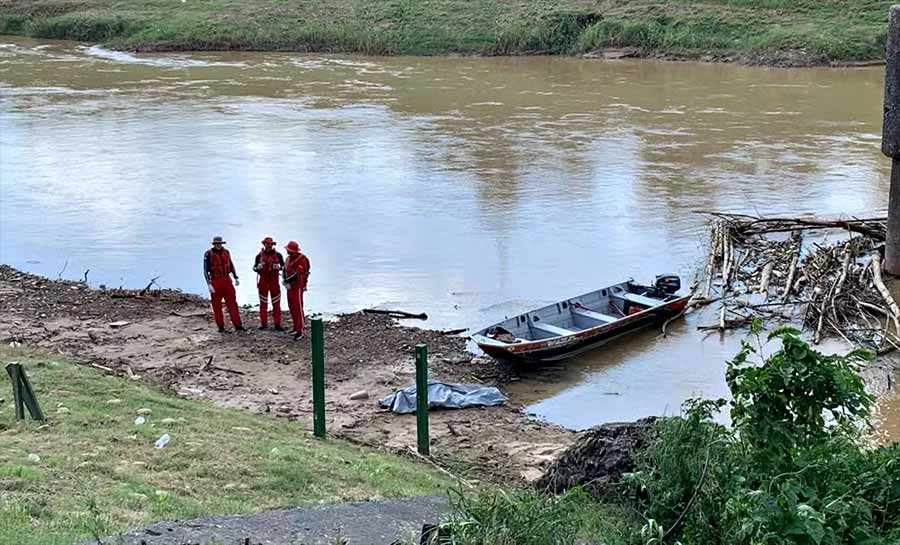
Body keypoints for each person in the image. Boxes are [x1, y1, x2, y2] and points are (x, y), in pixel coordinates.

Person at [203, 236, 244, 332]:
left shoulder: (226, 252)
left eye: (220, 243)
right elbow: (205, 270)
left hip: (227, 280)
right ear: (214, 244)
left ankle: (238, 326)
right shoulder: (208, 254)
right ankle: (221, 327)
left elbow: (231, 264)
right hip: (215, 281)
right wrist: (209, 284)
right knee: (216, 305)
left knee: (232, 303)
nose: (218, 245)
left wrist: (236, 276)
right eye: (217, 243)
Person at [253, 236, 285, 330]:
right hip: (263, 282)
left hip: (274, 282)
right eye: (267, 244)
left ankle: (277, 324)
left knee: (276, 304)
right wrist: (258, 267)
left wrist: (279, 267)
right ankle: (263, 323)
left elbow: (284, 268)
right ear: (264, 244)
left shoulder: (279, 255)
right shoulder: (259, 256)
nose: (269, 246)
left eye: (271, 244)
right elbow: (254, 268)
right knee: (263, 304)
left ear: (273, 245)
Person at [283, 240, 310, 339]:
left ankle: (300, 330)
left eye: (289, 250)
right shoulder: (287, 259)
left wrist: (287, 280)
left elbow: (297, 274)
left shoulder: (301, 259)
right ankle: (295, 327)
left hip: (297, 287)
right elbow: (284, 270)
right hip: (289, 286)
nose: (287, 251)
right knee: (291, 307)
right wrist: (285, 281)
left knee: (298, 308)